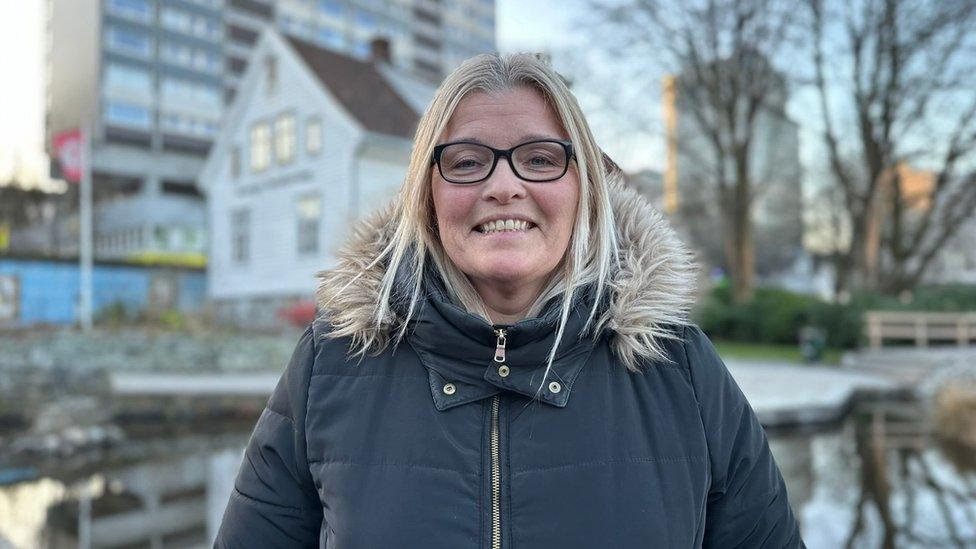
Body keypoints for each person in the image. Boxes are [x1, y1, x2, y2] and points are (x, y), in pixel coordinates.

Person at [215, 52, 804, 548]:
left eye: (541, 159)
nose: (503, 186)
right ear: (428, 197)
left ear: (586, 192)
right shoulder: (330, 366)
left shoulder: (682, 370)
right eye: (467, 163)